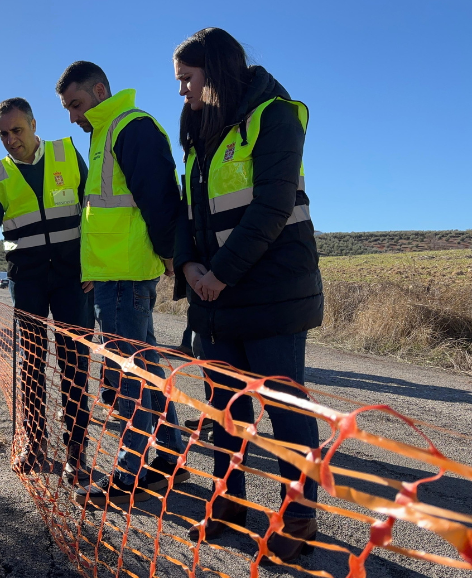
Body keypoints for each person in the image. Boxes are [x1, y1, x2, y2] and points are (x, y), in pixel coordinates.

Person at [172, 28, 323, 562]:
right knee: (223, 408)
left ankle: (299, 515)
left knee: (285, 408)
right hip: (215, 296)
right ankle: (228, 502)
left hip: (272, 292)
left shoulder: (275, 116)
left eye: (187, 79)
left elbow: (272, 207)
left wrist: (220, 273)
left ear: (214, 71)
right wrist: (188, 264)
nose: (182, 91)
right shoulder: (199, 130)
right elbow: (188, 210)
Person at [55, 61, 189, 507]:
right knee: (145, 366)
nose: (72, 116)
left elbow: (160, 198)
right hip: (113, 274)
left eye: (76, 104)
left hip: (125, 275)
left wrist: (169, 254)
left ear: (99, 91)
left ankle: (131, 471)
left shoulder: (131, 127)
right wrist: (91, 270)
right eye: (67, 108)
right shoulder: (104, 133)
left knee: (127, 372)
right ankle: (169, 454)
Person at [0, 97, 93, 484]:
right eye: (3, 134)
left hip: (74, 278)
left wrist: (96, 264)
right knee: (32, 364)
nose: (11, 140)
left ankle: (76, 454)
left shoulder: (66, 154)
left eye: (17, 130)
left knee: (74, 365)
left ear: (34, 125)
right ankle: (34, 444)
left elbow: (93, 208)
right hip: (28, 281)